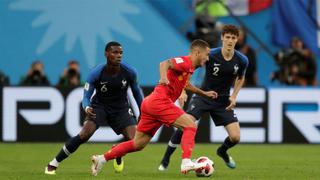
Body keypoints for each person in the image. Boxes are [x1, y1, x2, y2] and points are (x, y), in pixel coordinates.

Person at [90, 39, 218, 176]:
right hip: (160, 102)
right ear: (197, 52)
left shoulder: (190, 68)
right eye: (207, 54)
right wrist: (163, 78)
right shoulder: (185, 62)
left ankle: (101, 159)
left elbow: (185, 84)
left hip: (150, 104)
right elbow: (165, 63)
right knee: (190, 126)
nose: (207, 58)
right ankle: (186, 161)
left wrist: (204, 93)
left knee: (138, 144)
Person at [45, 41, 144, 175]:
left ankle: (117, 152)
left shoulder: (130, 72)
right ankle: (54, 163)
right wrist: (86, 108)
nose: (119, 55)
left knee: (135, 140)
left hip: (121, 108)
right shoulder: (96, 73)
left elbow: (137, 93)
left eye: (121, 53)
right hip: (100, 106)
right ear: (106, 54)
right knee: (84, 134)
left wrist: (143, 111)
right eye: (115, 52)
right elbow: (86, 96)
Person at [158, 24, 248, 171]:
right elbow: (188, 69)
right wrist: (182, 91)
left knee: (236, 137)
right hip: (203, 97)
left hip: (223, 101)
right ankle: (166, 159)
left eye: (233, 38)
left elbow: (241, 77)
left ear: (237, 39)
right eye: (227, 37)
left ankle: (222, 151)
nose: (230, 41)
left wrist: (234, 96)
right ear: (222, 38)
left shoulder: (242, 60)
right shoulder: (211, 55)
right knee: (185, 124)